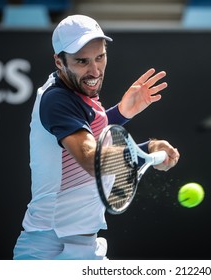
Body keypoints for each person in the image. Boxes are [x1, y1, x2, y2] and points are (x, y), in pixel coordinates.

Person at [13, 14, 180, 260]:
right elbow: (92, 160)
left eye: (100, 57)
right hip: (50, 249)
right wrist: (143, 155)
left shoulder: (77, 92)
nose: (95, 70)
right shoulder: (57, 100)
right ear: (59, 62)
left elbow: (91, 137)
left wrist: (124, 114)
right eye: (82, 61)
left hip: (80, 246)